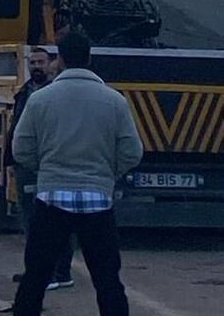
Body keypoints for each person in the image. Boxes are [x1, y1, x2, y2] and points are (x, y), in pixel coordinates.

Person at [12, 31, 144, 316]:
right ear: (89, 58)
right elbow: (132, 152)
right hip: (98, 201)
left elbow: (20, 148)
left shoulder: (40, 99)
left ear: (59, 59)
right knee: (108, 282)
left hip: (51, 201)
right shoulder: (114, 101)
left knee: (35, 279)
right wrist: (106, 175)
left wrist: (47, 170)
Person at [5, 48, 74, 290]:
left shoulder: (56, 94)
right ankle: (35, 269)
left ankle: (59, 270)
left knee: (54, 220)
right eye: (32, 62)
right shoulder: (23, 92)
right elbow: (15, 129)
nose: (36, 66)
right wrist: (11, 162)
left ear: (51, 64)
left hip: (49, 166)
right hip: (26, 166)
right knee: (29, 219)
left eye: (41, 62)